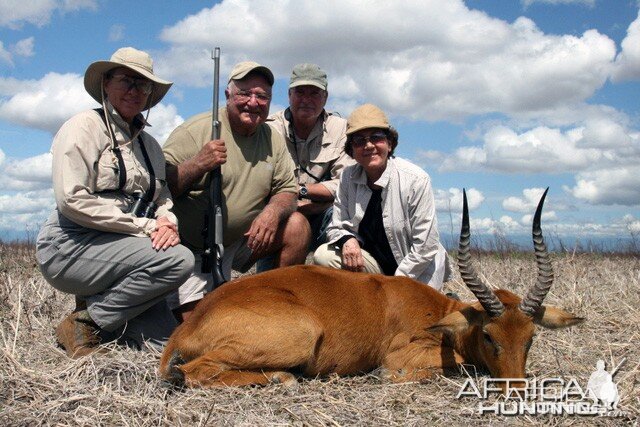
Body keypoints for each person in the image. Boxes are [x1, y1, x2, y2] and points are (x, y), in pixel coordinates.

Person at [35, 47, 195, 358]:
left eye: (144, 85)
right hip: (71, 243)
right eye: (127, 81)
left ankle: (104, 310)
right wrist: (147, 226)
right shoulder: (82, 127)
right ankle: (86, 322)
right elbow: (71, 200)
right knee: (179, 260)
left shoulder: (150, 145)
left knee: (168, 348)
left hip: (125, 247)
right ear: (106, 83)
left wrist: (167, 222)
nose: (136, 91)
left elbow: (161, 198)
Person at [163, 61, 310, 322]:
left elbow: (288, 190)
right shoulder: (194, 131)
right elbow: (160, 188)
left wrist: (272, 213)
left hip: (240, 243)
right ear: (228, 95)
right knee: (201, 326)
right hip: (191, 249)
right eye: (245, 93)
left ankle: (274, 307)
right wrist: (197, 164)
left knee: (297, 226)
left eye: (262, 96)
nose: (253, 102)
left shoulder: (271, 137)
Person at [313, 104, 450, 290]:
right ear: (351, 150)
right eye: (359, 141)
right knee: (324, 256)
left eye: (376, 138)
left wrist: (394, 284)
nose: (368, 146)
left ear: (390, 143)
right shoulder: (347, 177)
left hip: (415, 273)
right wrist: (347, 240)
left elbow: (426, 246)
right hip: (375, 270)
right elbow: (336, 225)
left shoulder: (416, 179)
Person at [266, 63, 354, 255]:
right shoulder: (269, 129)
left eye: (314, 93)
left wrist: (300, 191)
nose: (306, 99)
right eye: (300, 92)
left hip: (324, 214)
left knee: (349, 218)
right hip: (283, 214)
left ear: (325, 97)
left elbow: (346, 183)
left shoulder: (341, 129)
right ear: (289, 95)